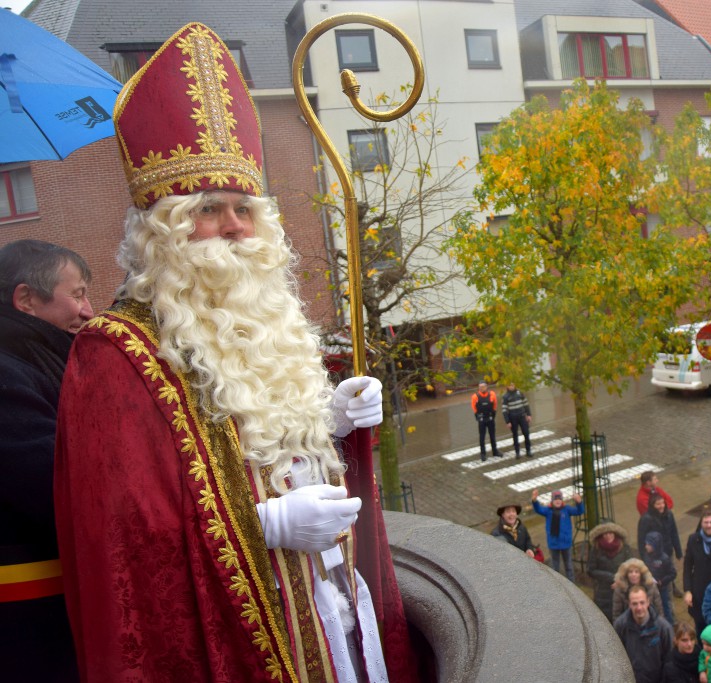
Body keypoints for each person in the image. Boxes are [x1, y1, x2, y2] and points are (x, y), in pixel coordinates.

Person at [53, 24, 414, 682]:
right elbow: (129, 544)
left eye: (245, 208)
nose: (235, 227)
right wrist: (264, 526)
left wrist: (331, 422)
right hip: (250, 634)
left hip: (330, 605)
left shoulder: (263, 321)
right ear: (160, 230)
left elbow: (261, 446)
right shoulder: (112, 355)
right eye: (210, 208)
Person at [0, 240, 93, 681]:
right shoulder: (7, 371)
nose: (89, 310)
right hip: (28, 616)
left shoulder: (37, 358)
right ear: (26, 300)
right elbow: (56, 480)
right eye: (77, 293)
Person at [614, 584, 674, 683]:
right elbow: (615, 658)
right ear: (629, 604)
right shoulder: (620, 626)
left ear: (648, 602)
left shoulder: (664, 628)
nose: (639, 607)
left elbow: (669, 660)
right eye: (635, 604)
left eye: (642, 603)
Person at [531, 488, 584, 581]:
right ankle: (556, 582)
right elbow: (538, 509)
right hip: (554, 544)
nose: (558, 501)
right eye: (555, 499)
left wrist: (579, 502)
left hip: (566, 543)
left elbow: (579, 511)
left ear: (562, 500)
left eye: (559, 499)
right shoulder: (548, 510)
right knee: (555, 566)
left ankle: (571, 583)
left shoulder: (567, 509)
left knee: (569, 565)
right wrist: (534, 500)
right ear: (552, 500)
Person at [586, 522, 633, 621]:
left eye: (610, 533)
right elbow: (591, 570)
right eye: (605, 534)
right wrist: (610, 577)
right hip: (603, 590)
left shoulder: (625, 548)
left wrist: (619, 580)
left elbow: (630, 567)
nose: (608, 536)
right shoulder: (596, 549)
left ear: (615, 534)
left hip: (621, 588)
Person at [638, 492, 683, 572]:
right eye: (658, 504)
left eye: (663, 503)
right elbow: (641, 540)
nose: (661, 506)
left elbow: (674, 533)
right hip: (654, 556)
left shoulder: (669, 514)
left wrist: (678, 552)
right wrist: (645, 558)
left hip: (668, 552)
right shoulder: (646, 519)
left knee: (669, 573)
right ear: (652, 505)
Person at [643, 531, 677, 625]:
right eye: (646, 543)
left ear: (655, 545)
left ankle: (670, 625)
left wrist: (662, 581)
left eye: (649, 544)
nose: (646, 546)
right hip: (650, 588)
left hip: (662, 589)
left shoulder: (664, 558)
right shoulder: (646, 556)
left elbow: (673, 573)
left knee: (665, 607)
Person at [471, 380, 502, 461]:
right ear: (478, 388)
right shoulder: (475, 396)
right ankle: (483, 454)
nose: (482, 388)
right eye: (480, 387)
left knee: (492, 436)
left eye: (483, 386)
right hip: (482, 419)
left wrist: (493, 414)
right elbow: (474, 407)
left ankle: (495, 451)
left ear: (486, 387)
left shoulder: (492, 394)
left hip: (490, 418)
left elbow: (495, 405)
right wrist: (477, 417)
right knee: (482, 437)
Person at [500, 381, 532, 459]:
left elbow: (526, 404)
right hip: (513, 418)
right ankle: (517, 452)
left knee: (526, 433)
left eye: (512, 385)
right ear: (507, 386)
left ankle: (528, 451)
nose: (511, 387)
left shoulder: (520, 393)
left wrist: (529, 415)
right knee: (515, 435)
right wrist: (507, 421)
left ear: (514, 385)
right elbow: (504, 410)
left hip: (522, 416)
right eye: (509, 385)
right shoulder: (505, 396)